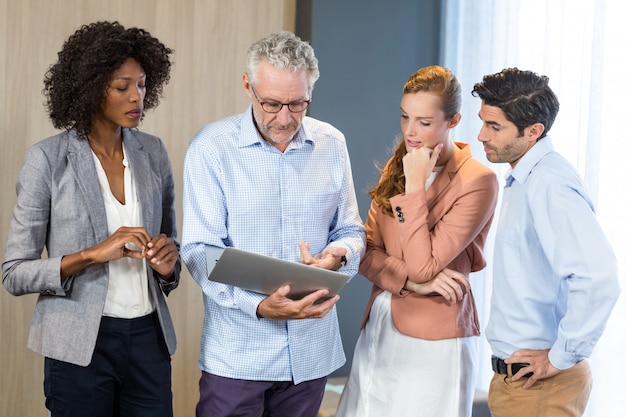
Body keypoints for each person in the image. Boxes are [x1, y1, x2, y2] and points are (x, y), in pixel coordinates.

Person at [181, 31, 365, 417]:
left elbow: (351, 230)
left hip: (310, 353)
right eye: (272, 103)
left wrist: (337, 256)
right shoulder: (211, 147)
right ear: (248, 86)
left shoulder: (332, 143)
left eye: (298, 104)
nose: (284, 118)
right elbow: (199, 251)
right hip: (237, 356)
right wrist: (261, 306)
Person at [2, 21, 180, 417]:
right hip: (79, 346)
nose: (138, 97)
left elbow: (172, 256)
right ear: (91, 87)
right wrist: (93, 254)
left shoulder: (154, 153)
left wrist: (168, 267)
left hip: (148, 340)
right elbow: (13, 273)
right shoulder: (47, 160)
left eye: (143, 84)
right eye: (123, 87)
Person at [335, 65, 499, 417]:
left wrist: (413, 187)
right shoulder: (403, 162)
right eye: (405, 117)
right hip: (379, 329)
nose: (410, 131)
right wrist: (410, 283)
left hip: (434, 339)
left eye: (424, 122)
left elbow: (425, 266)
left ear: (453, 121)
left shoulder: (477, 181)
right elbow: (366, 255)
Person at [472, 67, 620, 417]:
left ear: (533, 132)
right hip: (520, 384)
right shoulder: (525, 178)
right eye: (483, 122)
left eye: (494, 127)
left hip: (539, 388)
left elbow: (598, 276)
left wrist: (560, 357)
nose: (481, 135)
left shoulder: (550, 184)